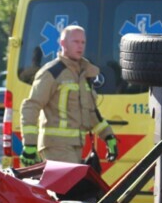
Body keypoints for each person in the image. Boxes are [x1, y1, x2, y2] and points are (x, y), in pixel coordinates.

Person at [19, 24, 118, 166]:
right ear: (63, 43)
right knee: (68, 187)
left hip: (75, 146)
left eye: (83, 42)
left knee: (69, 187)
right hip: (55, 147)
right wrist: (29, 144)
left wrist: (108, 136)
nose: (80, 46)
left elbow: (90, 113)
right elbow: (31, 106)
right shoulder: (52, 72)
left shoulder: (83, 74)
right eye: (76, 42)